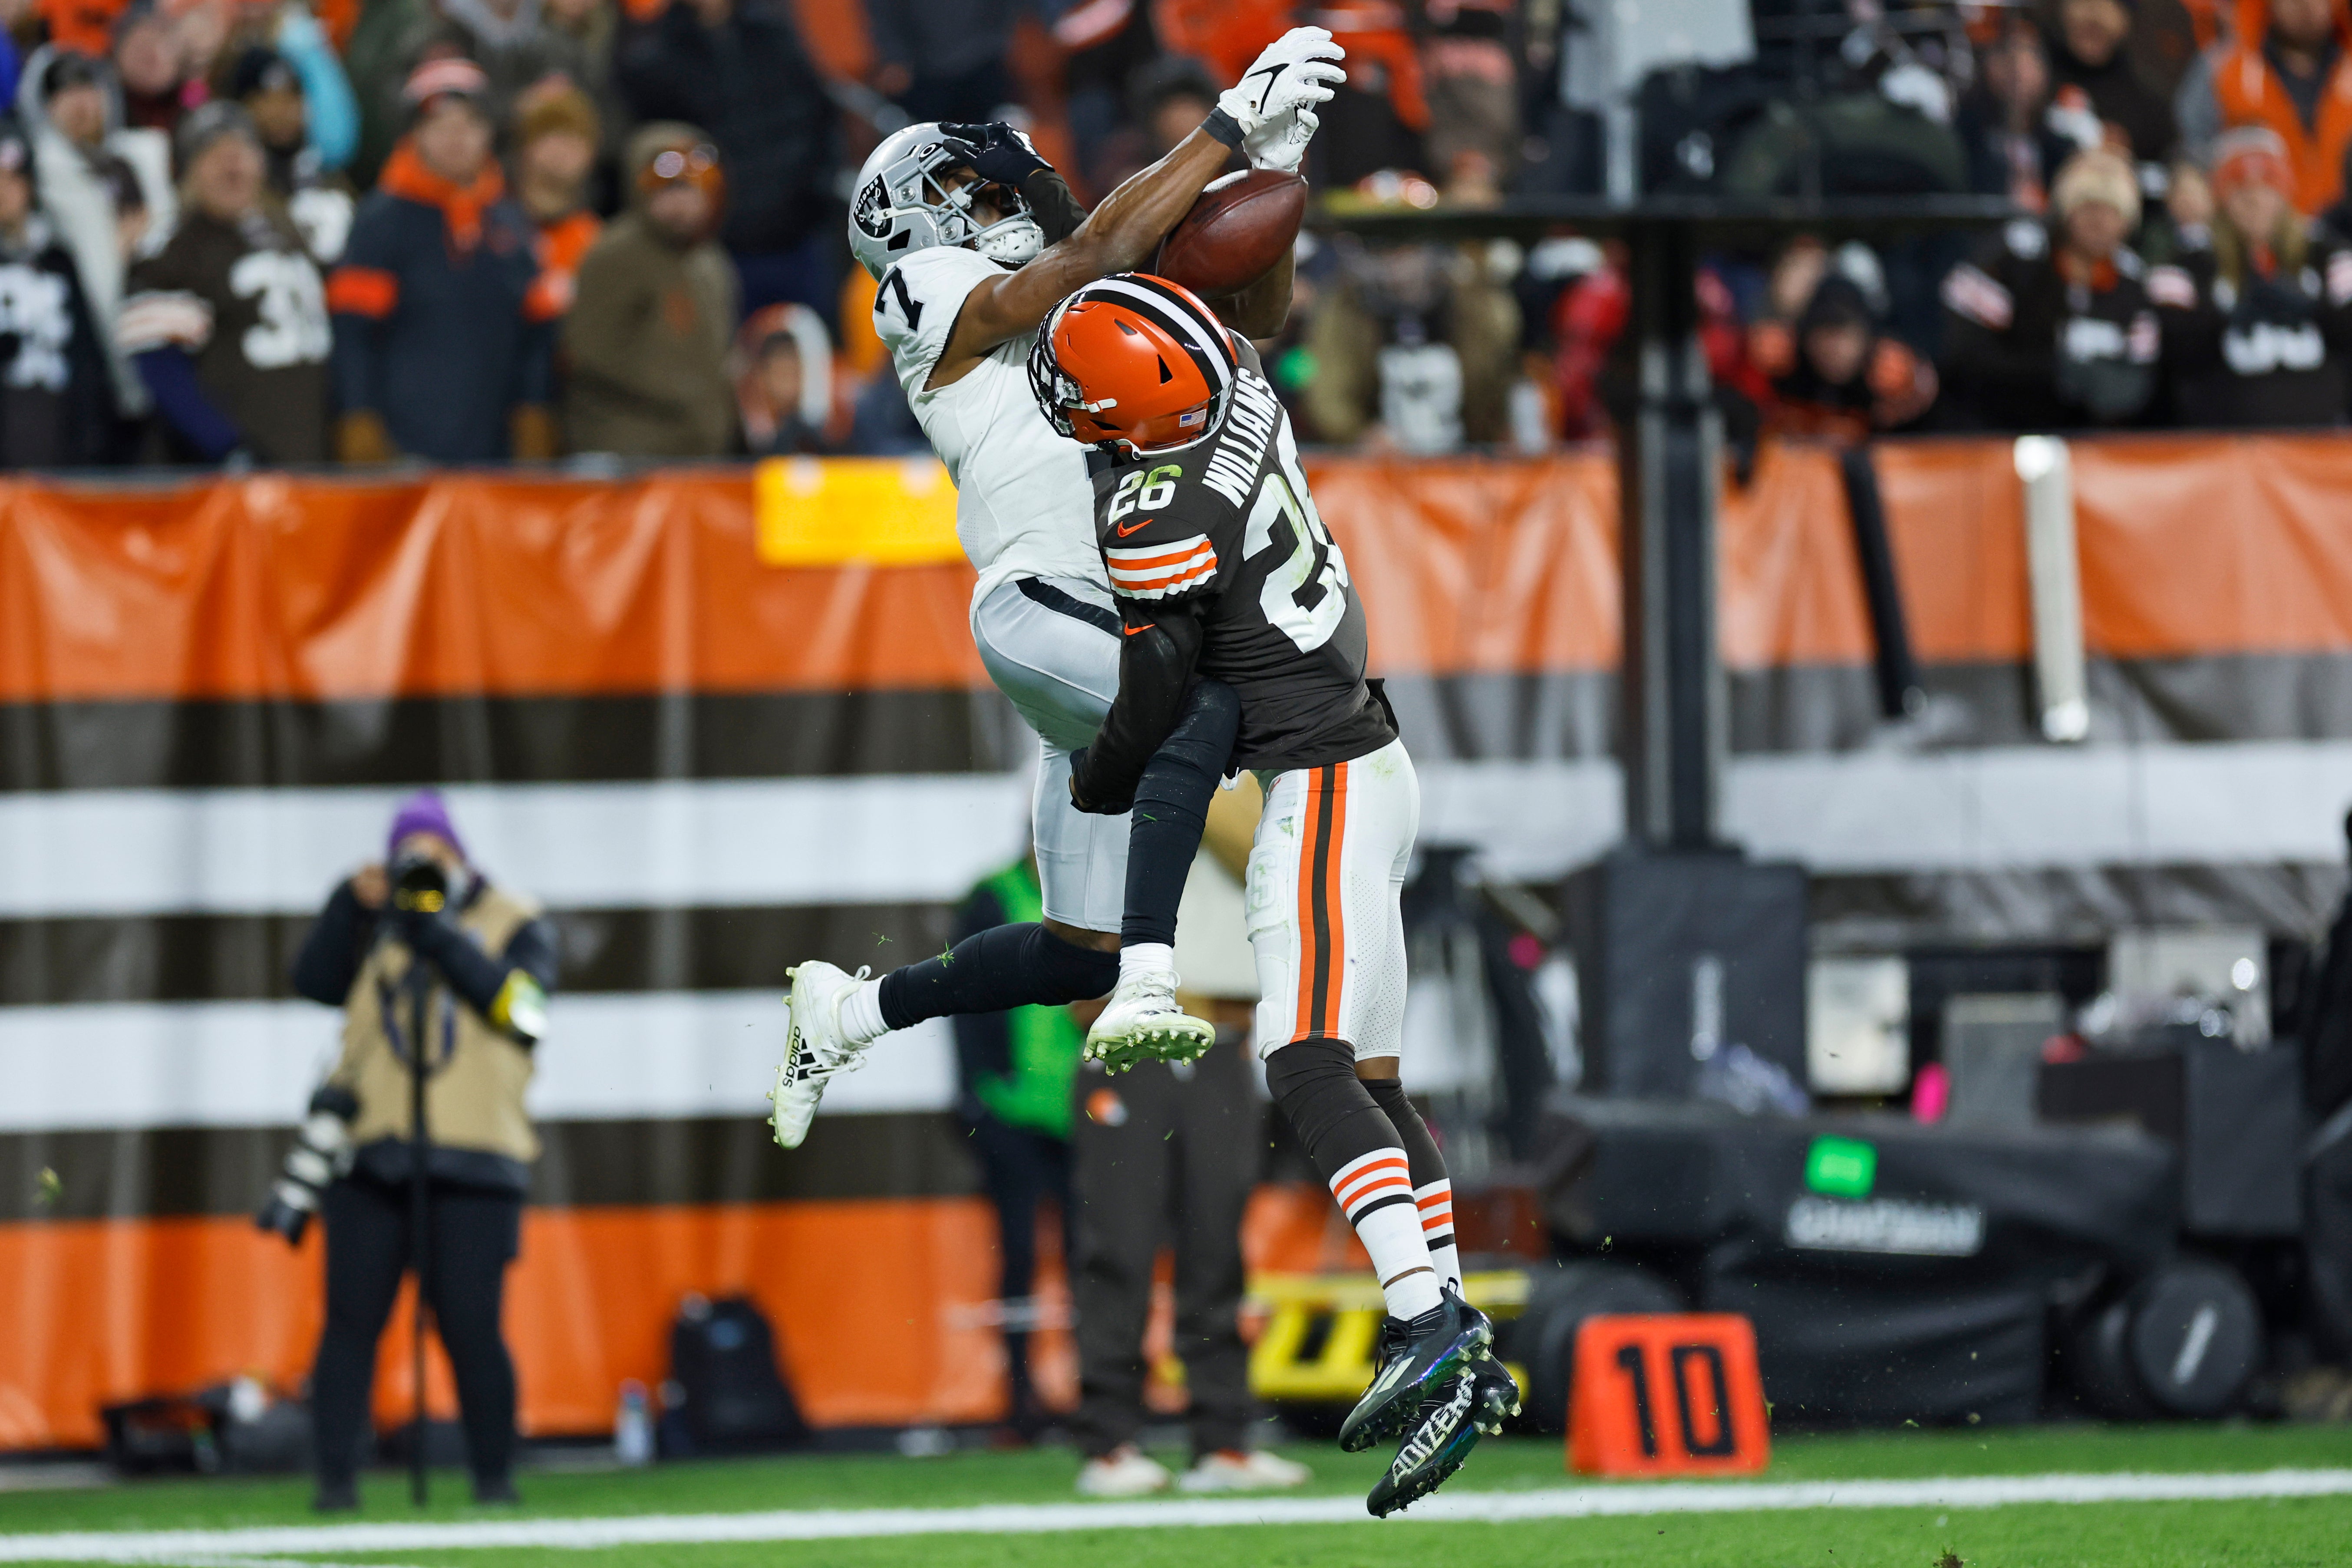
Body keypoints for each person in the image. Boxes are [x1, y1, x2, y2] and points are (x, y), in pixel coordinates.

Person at [765, 33, 1346, 1148]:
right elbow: (1086, 256)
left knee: (1062, 945)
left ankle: (844, 1010)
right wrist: (1224, 127)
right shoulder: (919, 291)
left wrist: (1276, 169)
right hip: (1046, 605)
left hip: (1108, 620)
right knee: (1206, 708)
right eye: (960, 191)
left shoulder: (1075, 293)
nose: (986, 201)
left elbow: (1248, 304)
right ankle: (1148, 978)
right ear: (898, 225)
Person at [1029, 272, 1516, 1518]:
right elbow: (1236, 312)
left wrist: (1102, 770)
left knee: (1305, 1069)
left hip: (1318, 779)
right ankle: (1454, 1320)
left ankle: (1424, 1322)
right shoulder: (1243, 388)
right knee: (1378, 1081)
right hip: (1380, 755)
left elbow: (1157, 700)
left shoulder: (1157, 510)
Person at [256, 789, 557, 1512]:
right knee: (350, 1323)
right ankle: (335, 1484)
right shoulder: (377, 924)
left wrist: (441, 935)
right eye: (408, 859)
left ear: (461, 855)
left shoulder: (516, 920)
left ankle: (494, 1479)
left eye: (435, 855)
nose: (423, 871)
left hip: (476, 1156)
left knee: (471, 1326)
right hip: (374, 1153)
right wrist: (348, 907)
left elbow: (527, 1013)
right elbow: (315, 984)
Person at [1068, 778, 1312, 1497]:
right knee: (1121, 1243)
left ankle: (1222, 1440)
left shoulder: (1241, 769)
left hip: (1220, 1038)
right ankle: (1109, 1442)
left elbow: (1273, 856)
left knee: (1216, 1246)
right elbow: (1070, 853)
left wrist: (1198, 763)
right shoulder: (1100, 743)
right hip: (1129, 1033)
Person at [326, 57, 558, 463]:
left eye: (471, 122)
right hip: (405, 451)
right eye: (440, 123)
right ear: (415, 133)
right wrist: (358, 418)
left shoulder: (510, 219)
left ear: (490, 133)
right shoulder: (382, 220)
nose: (457, 136)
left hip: (496, 453)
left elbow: (536, 333)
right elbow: (352, 336)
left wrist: (533, 411)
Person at [949, 853, 1083, 1441]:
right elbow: (959, 989)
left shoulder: (1095, 893)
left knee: (1090, 1256)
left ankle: (1097, 1394)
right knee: (1021, 1253)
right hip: (1009, 1109)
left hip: (1081, 1109)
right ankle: (1021, 1399)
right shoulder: (992, 895)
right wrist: (977, 1090)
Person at [117, 102, 332, 464]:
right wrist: (227, 447)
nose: (231, 165)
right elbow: (160, 366)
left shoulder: (292, 232)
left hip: (313, 459)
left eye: (242, 152)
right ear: (189, 172)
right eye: (214, 154)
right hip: (234, 478)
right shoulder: (175, 250)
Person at [613, 0, 841, 318]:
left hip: (799, 237)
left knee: (813, 352)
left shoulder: (774, 34)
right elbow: (654, 152)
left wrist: (818, 189)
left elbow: (820, 118)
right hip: (722, 249)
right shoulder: (654, 56)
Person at [1941, 148, 2161, 429]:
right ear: (2066, 209)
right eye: (2088, 206)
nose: (2098, 220)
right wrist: (2053, 370)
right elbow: (1965, 347)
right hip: (2000, 424)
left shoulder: (2133, 282)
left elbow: (2138, 378)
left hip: (2093, 439)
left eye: (2112, 211)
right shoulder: (2018, 254)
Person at [2148, 126, 2352, 423]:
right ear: (2220, 198)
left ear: (2285, 193)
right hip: (2223, 442)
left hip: (2318, 438)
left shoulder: (2327, 251)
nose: (2255, 201)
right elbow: (2174, 351)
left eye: (2267, 186)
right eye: (2241, 188)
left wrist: (2313, 310)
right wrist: (2226, 318)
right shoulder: (2187, 260)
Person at [19, 46, 175, 422]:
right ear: (43, 107)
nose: (79, 103)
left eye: (87, 87)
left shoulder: (144, 159)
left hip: (165, 348)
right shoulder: (42, 180)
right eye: (62, 93)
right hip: (88, 364)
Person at [562, 122, 735, 456]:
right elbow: (587, 350)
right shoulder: (615, 255)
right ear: (639, 192)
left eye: (692, 188)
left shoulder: (712, 262)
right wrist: (684, 390)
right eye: (667, 189)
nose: (681, 202)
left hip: (699, 454)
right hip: (629, 455)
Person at [1300, 239, 1518, 451]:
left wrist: (1496, 432)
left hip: (1467, 455)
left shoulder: (1473, 305)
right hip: (1379, 464)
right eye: (1383, 252)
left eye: (1406, 250)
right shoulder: (1344, 309)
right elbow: (1328, 392)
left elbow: (1499, 377)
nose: (1397, 265)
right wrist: (1359, 435)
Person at [0, 119, 112, 466]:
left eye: (13, 179)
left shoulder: (58, 260)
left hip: (59, 434)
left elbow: (87, 354)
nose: (3, 191)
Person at [2176, 0, 2352, 213]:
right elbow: (2193, 150)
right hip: (2253, 232)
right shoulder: (2224, 66)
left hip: (2343, 231)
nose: (2307, 5)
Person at [1749, 273, 1939, 441]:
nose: (1834, 349)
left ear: (1864, 337)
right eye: (1824, 335)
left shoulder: (1890, 372)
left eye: (1844, 336)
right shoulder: (1784, 362)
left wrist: (1909, 388)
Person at [225, 42, 357, 264]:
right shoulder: (235, 186)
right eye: (266, 101)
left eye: (290, 98)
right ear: (244, 107)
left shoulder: (328, 176)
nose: (281, 112)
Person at [510, 80, 602, 323]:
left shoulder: (594, 241)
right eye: (551, 136)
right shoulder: (490, 227)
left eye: (575, 140)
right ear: (527, 147)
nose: (562, 150)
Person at [2048, 0, 2179, 164]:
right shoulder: (2036, 78)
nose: (2093, 14)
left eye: (2110, 4)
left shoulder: (2150, 103)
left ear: (2127, 19)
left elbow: (2172, 159)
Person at [732, 300, 831, 456]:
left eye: (792, 373)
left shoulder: (816, 441)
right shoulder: (740, 440)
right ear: (762, 377)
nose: (787, 384)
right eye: (780, 373)